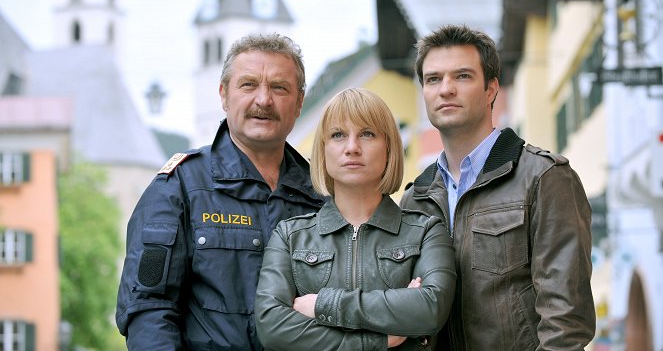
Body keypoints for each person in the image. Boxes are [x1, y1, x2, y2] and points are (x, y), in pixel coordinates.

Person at [116, 33, 324, 350]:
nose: (264, 100)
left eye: (279, 87)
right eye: (249, 85)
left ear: (299, 102)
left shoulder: (323, 194)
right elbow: (147, 309)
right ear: (224, 95)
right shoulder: (178, 187)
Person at [400, 24, 596, 350]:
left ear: (491, 89)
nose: (445, 89)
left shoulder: (544, 177)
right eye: (433, 79)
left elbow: (566, 322)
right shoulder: (414, 199)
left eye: (462, 76)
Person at [255, 88, 456, 351]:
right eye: (338, 135)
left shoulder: (425, 231)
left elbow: (430, 309)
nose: (352, 148)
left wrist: (320, 305)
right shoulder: (290, 236)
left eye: (367, 134)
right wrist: (377, 339)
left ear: (389, 148)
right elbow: (271, 327)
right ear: (323, 150)